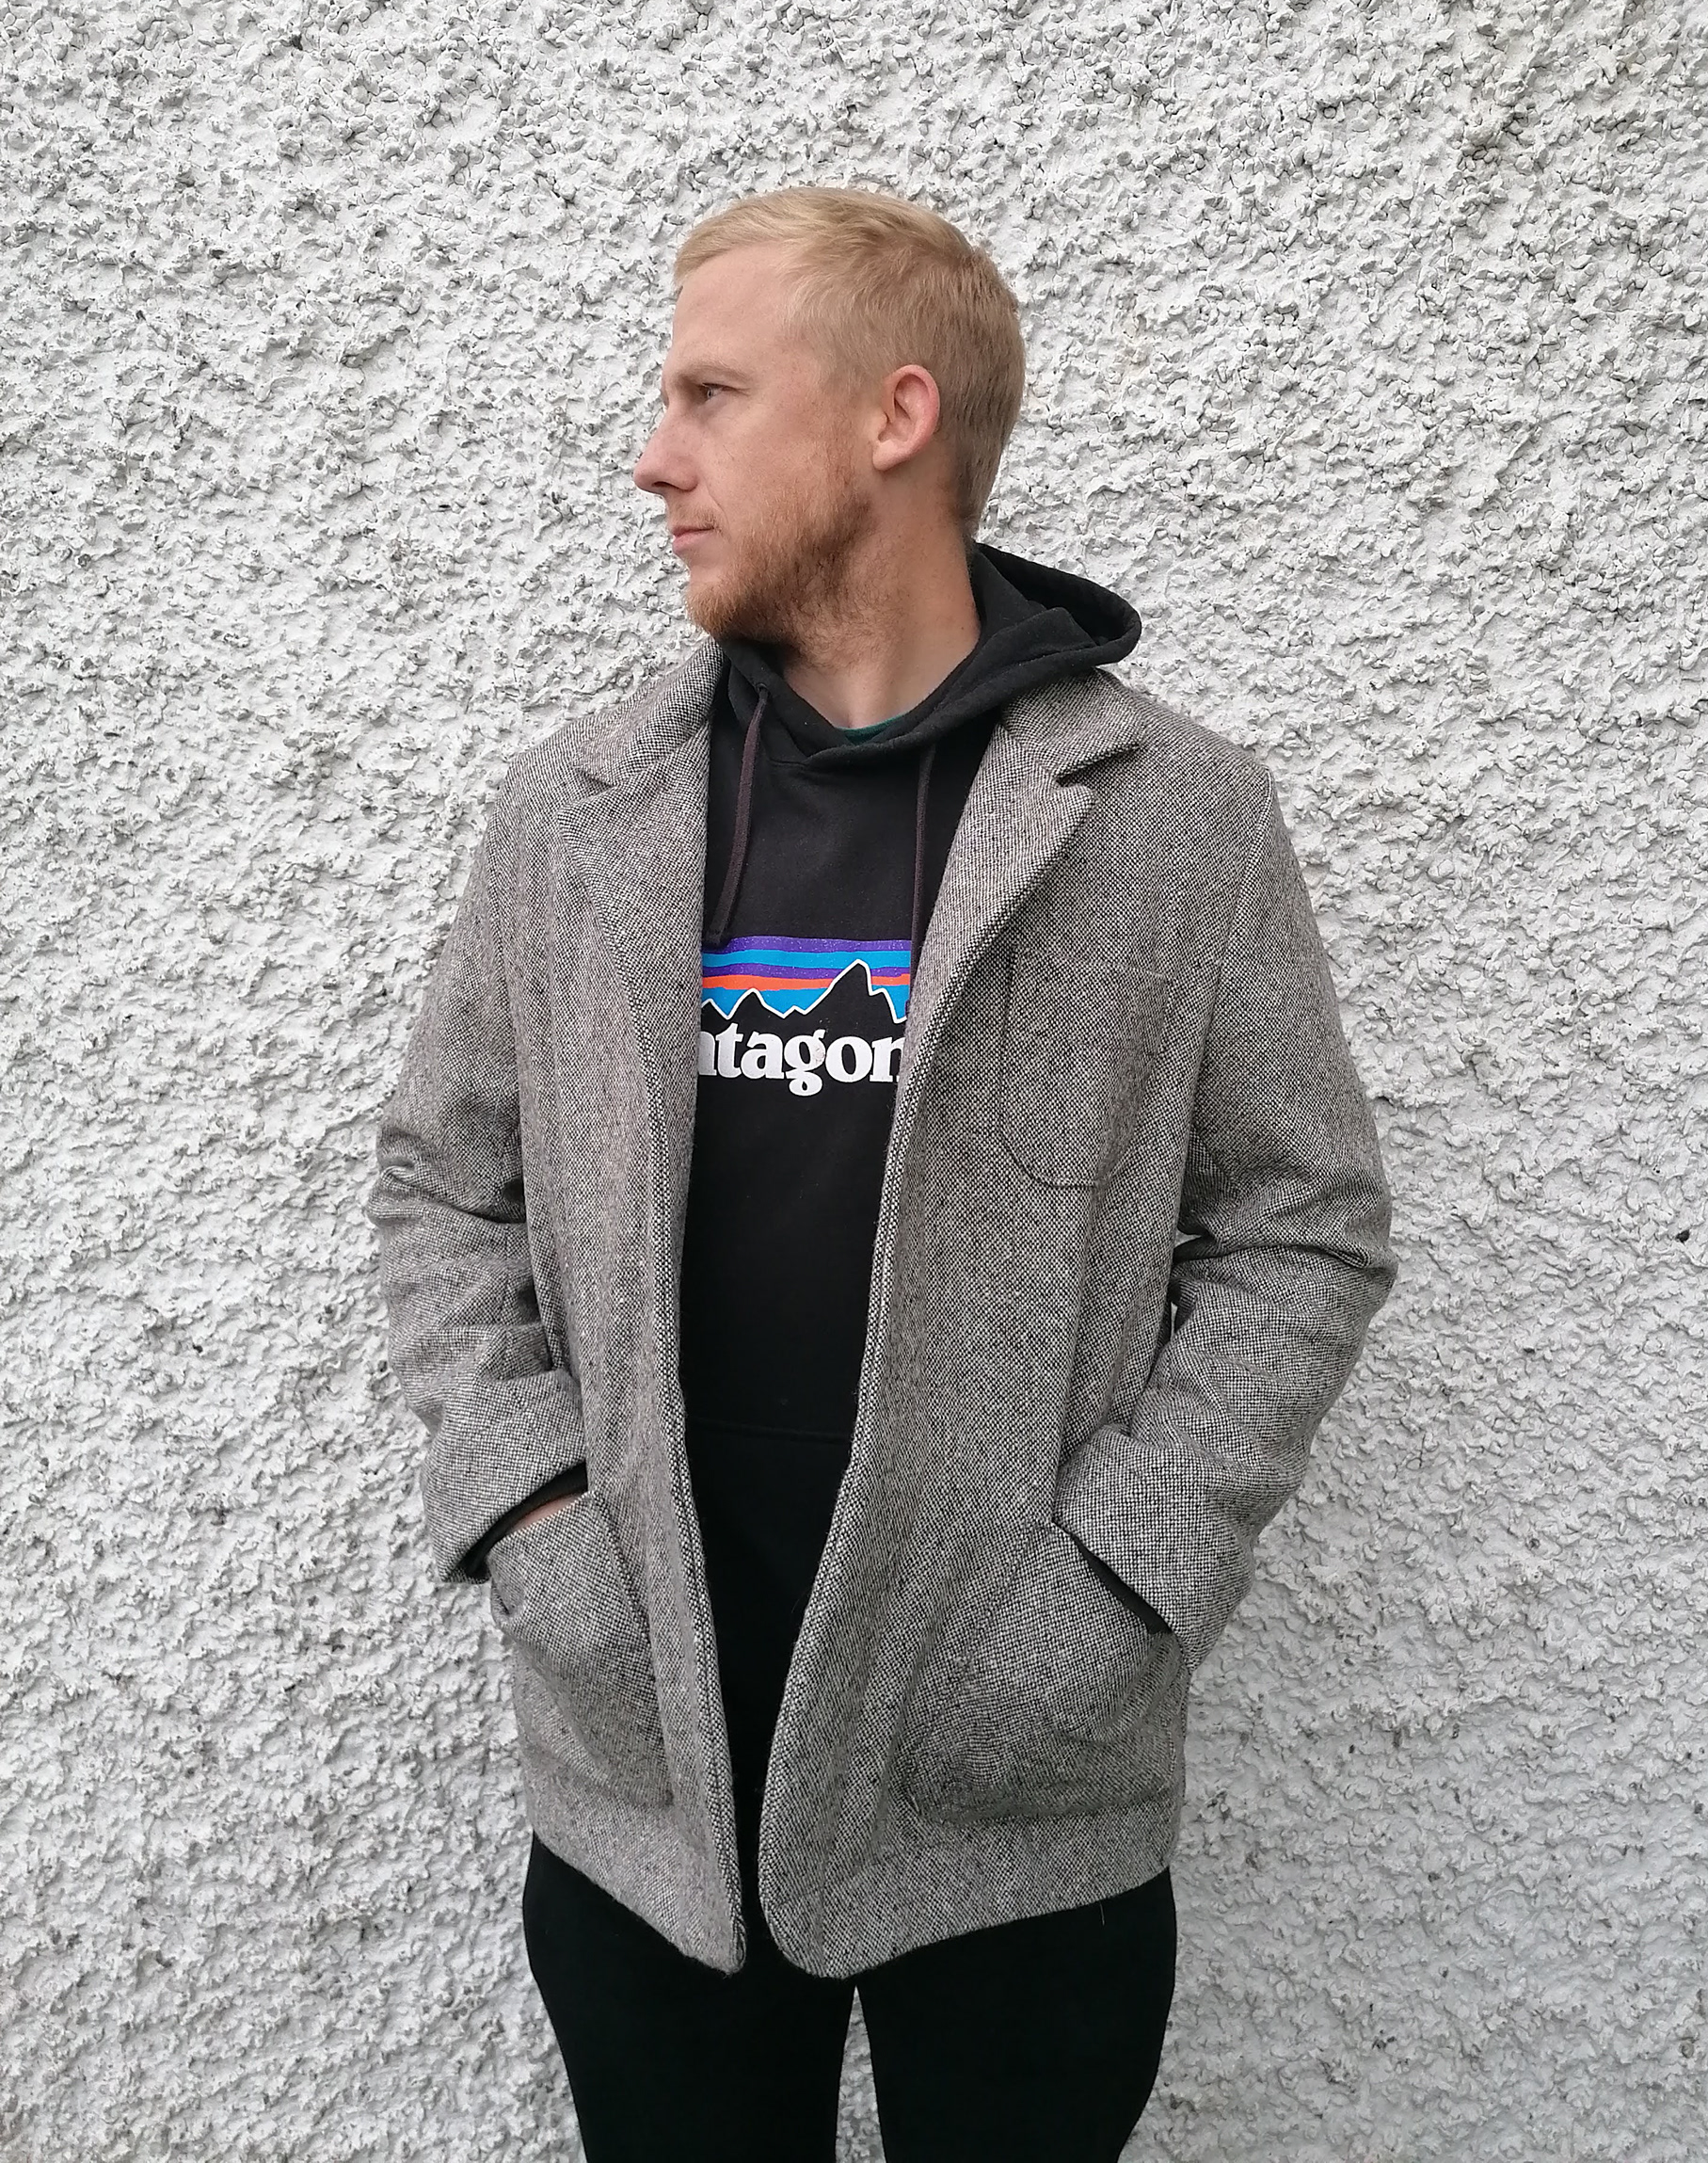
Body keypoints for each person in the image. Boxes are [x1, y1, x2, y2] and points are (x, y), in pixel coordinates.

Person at [367, 184, 1397, 2161]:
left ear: (893, 417)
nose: (652, 455)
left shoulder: (1166, 818)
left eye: (709, 394)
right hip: (648, 1761)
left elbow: (1305, 1227)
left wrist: (1113, 1586)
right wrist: (537, 1519)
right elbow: (443, 1182)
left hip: (1016, 1772)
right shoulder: (577, 813)